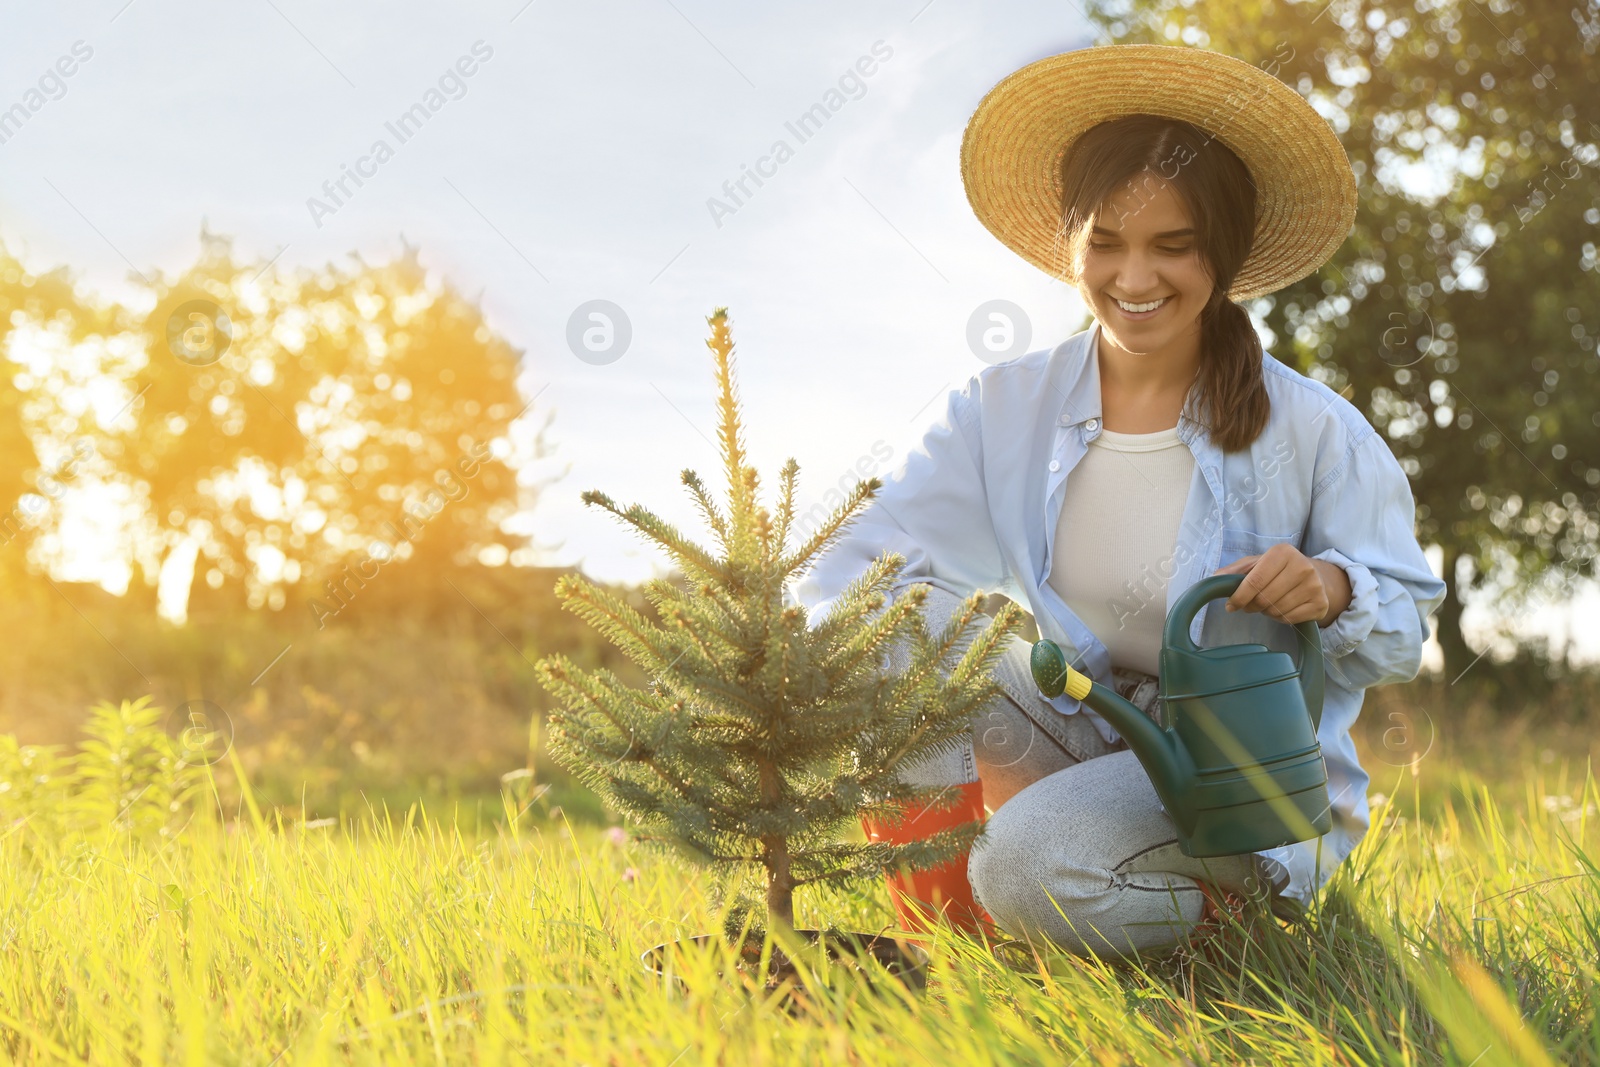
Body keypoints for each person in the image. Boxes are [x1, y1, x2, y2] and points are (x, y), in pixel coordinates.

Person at [790, 44, 1447, 958]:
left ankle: (1241, 927)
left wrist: (1334, 588)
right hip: (1080, 729)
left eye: (1172, 247)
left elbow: (1406, 627)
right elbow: (854, 565)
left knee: (1025, 865)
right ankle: (934, 947)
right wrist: (802, 652)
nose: (1135, 280)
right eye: (1107, 243)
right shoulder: (1001, 407)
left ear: (1222, 252)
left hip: (1234, 779)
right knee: (891, 619)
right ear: (1072, 245)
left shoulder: (1316, 429)